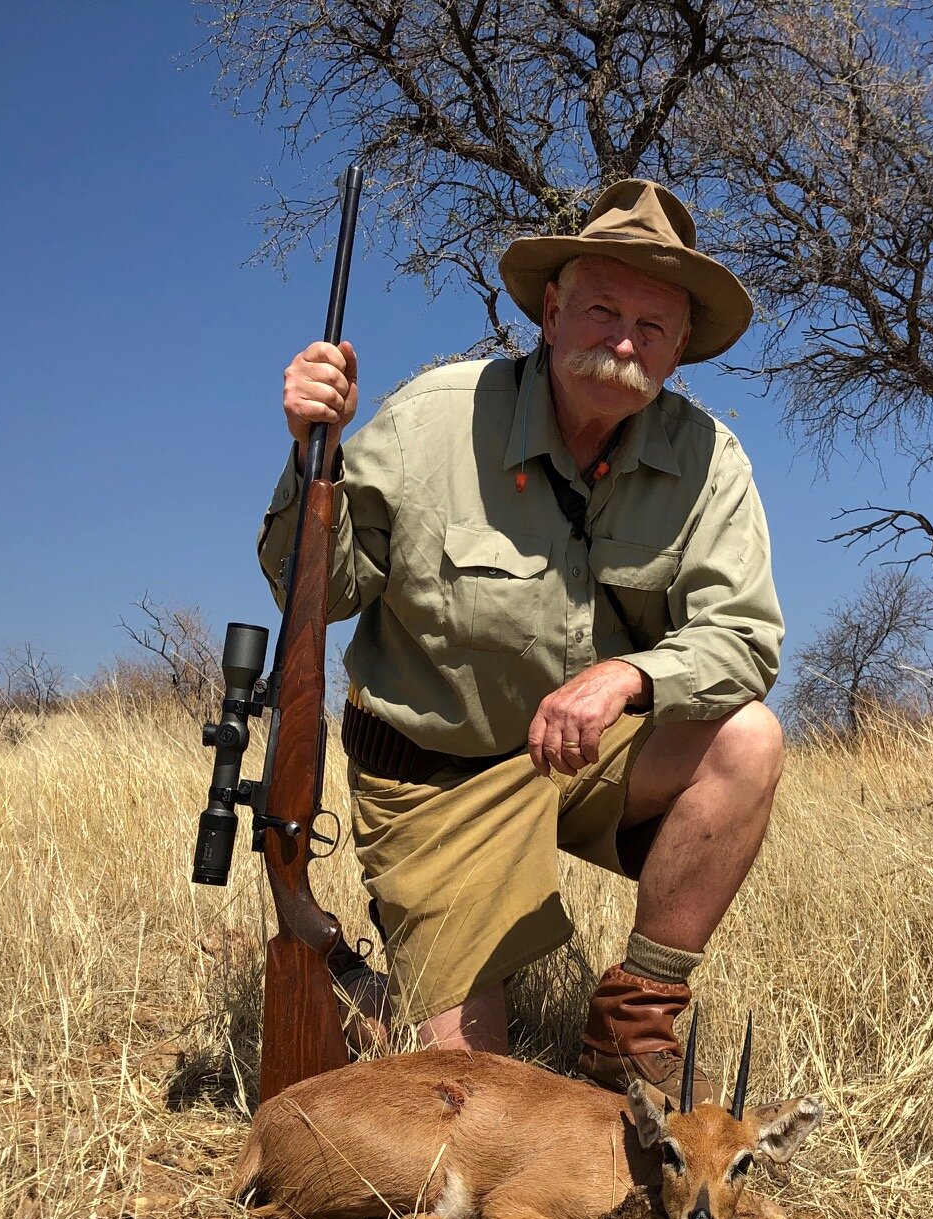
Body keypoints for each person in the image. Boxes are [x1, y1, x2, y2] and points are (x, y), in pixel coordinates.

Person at [259, 179, 783, 1103]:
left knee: (747, 739)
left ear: (680, 348)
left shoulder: (710, 460)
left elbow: (744, 639)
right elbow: (323, 592)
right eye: (601, 310)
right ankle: (372, 993)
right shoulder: (430, 418)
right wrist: (313, 454)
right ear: (552, 310)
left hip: (574, 756)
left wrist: (626, 676)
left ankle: (633, 1025)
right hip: (434, 780)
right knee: (473, 1095)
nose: (622, 341)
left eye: (651, 327)